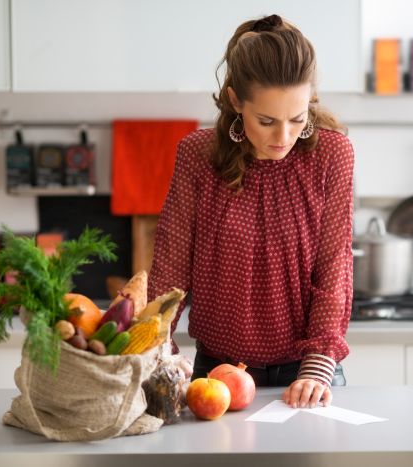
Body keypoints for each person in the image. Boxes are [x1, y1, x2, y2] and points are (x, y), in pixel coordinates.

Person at [147, 14, 354, 409]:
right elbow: (170, 268)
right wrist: (157, 349)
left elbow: (334, 267)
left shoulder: (332, 155)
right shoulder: (197, 155)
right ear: (235, 102)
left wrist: (315, 368)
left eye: (297, 119)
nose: (284, 137)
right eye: (266, 121)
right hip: (217, 375)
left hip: (309, 373)